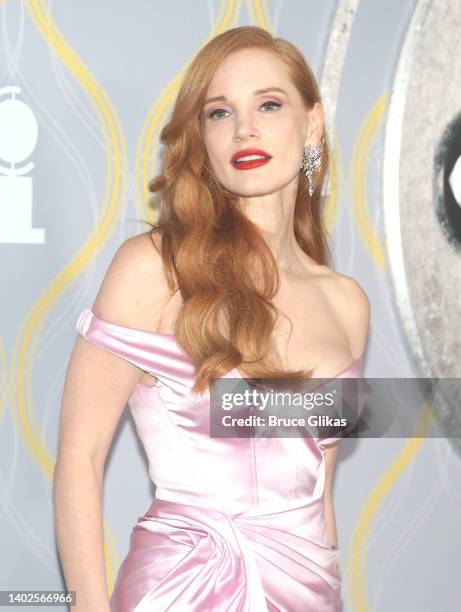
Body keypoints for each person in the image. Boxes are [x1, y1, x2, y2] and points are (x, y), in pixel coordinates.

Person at [54, 26, 370, 612]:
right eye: (219, 112)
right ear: (202, 138)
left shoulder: (347, 303)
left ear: (313, 124)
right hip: (179, 591)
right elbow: (80, 455)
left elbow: (318, 494)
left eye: (269, 105)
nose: (244, 128)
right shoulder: (154, 270)